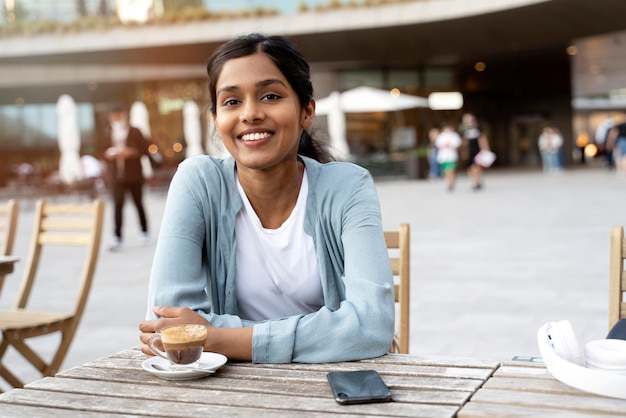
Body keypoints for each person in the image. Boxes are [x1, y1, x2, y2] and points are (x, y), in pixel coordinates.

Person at [138, 33, 395, 364]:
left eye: (270, 96)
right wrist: (332, 333)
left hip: (331, 383)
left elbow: (371, 327)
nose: (250, 114)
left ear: (306, 111)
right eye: (231, 102)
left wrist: (218, 338)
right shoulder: (197, 182)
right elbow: (167, 326)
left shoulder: (348, 186)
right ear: (216, 119)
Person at [99, 106, 151, 251]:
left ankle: (144, 231)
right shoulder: (108, 132)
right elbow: (102, 150)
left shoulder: (135, 131)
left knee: (138, 204)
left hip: (134, 175)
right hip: (117, 176)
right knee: (118, 205)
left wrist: (131, 152)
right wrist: (108, 155)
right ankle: (117, 236)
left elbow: (145, 149)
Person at [460, 113, 490, 190]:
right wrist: (463, 151)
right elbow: (464, 143)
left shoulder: (478, 130)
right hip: (470, 152)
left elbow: (482, 140)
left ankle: (477, 182)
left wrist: (485, 149)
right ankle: (476, 181)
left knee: (476, 168)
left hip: (477, 151)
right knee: (470, 169)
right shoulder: (464, 131)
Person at [435, 123, 462, 191]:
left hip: (451, 156)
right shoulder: (441, 136)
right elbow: (438, 145)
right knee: (446, 171)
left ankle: (451, 183)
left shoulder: (454, 136)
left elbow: (457, 145)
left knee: (451, 170)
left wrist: (451, 145)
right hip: (444, 156)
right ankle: (448, 182)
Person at [607, 114, 626, 179]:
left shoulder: (618, 126)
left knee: (619, 156)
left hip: (620, 141)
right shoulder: (619, 126)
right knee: (624, 156)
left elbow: (613, 134)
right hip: (622, 141)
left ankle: (620, 170)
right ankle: (624, 171)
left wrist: (611, 142)